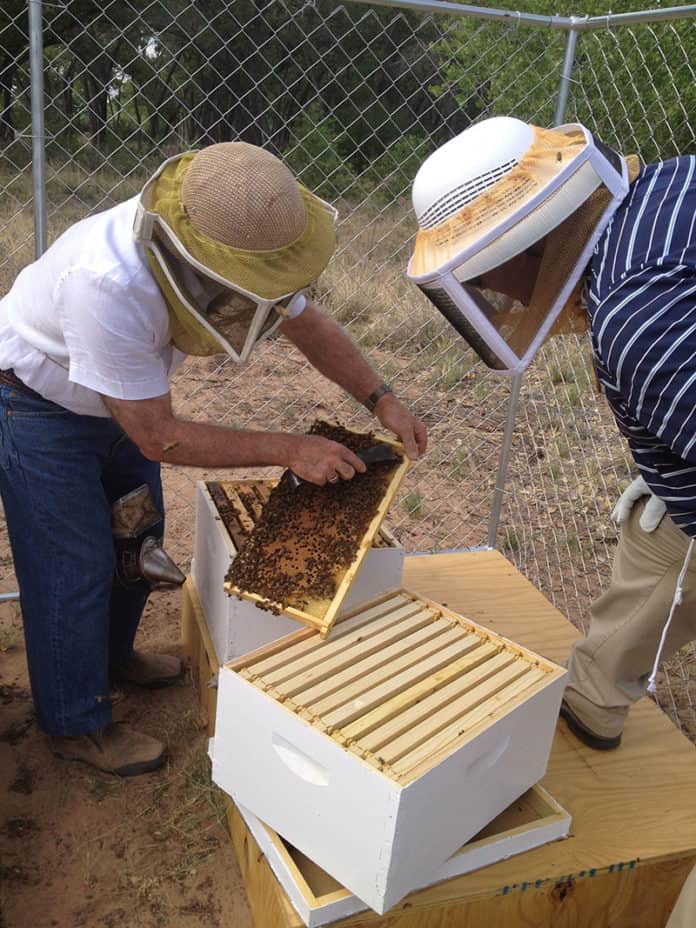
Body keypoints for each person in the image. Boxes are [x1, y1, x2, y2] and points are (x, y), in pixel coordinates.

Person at [0, 141, 427, 777]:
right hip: (39, 406)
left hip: (122, 406)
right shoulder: (106, 285)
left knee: (136, 538)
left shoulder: (237, 239)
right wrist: (289, 448)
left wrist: (381, 399)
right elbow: (159, 437)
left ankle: (112, 660)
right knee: (74, 565)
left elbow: (307, 324)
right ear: (196, 259)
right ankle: (75, 723)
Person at [407, 115, 696, 750]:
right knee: (658, 538)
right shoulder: (668, 187)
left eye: (478, 275)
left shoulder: (635, 316)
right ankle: (595, 697)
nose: (489, 294)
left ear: (518, 247)